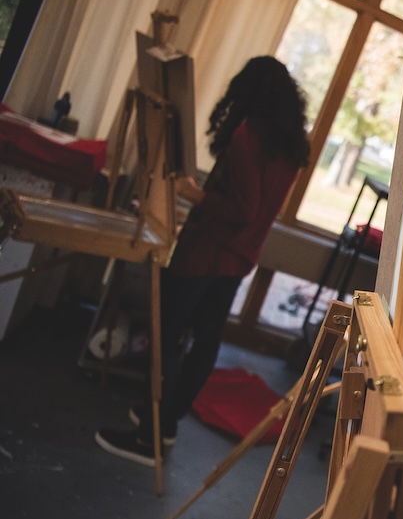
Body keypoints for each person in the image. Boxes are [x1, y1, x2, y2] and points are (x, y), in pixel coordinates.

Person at [95, 56, 310, 466]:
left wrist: (192, 194)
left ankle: (148, 440)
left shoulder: (249, 136)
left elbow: (243, 208)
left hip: (210, 251)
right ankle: (166, 425)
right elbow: (259, 208)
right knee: (204, 341)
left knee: (168, 336)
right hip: (239, 256)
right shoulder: (292, 144)